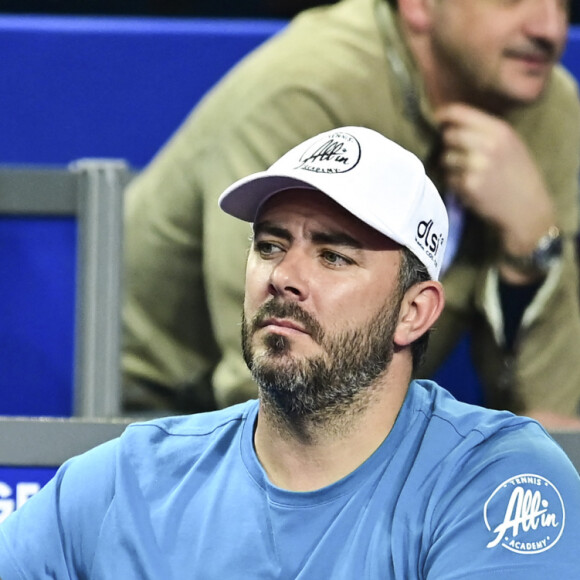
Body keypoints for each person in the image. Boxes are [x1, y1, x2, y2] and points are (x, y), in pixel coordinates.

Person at [2, 127, 580, 577]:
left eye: (334, 256)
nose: (285, 276)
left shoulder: (496, 483)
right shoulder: (127, 481)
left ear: (415, 311)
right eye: (271, 244)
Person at [122, 0, 580, 427]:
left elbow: (555, 420)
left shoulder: (549, 109)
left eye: (561, 2)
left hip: (357, 415)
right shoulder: (307, 90)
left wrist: (534, 244)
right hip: (164, 415)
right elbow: (266, 374)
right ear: (418, 5)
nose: (549, 28)